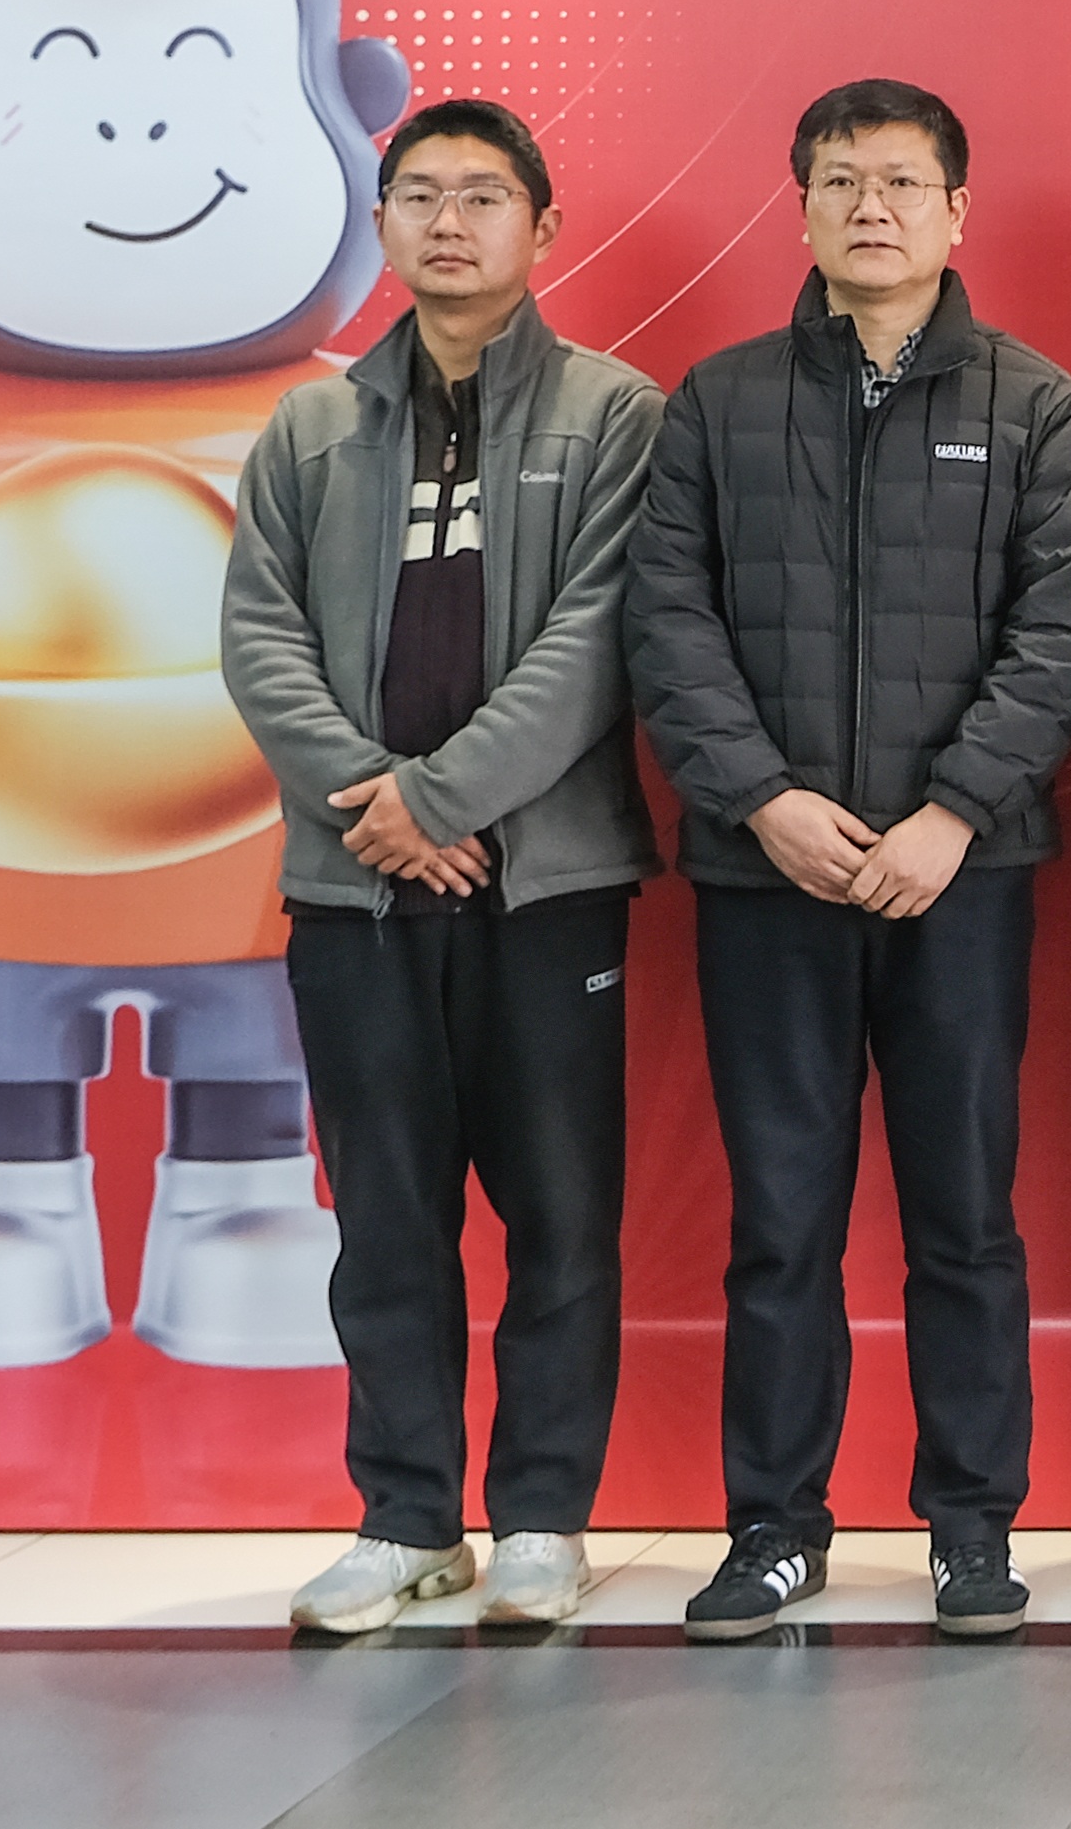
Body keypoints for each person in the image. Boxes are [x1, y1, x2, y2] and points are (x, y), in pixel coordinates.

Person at [627, 79, 1071, 1642]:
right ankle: (775, 1523)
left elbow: (1060, 629)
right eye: (841, 180)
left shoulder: (1033, 403)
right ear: (804, 208)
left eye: (902, 180)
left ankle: (972, 1522)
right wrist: (763, 799)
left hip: (960, 873)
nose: (872, 206)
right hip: (769, 876)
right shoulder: (719, 400)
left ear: (957, 209)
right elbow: (668, 622)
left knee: (965, 1211)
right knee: (782, 1217)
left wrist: (952, 809)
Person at [224, 99, 661, 1634]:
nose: (450, 221)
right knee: (386, 1213)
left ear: (543, 227)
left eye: (483, 196)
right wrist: (381, 806)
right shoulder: (310, 427)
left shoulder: (615, 412)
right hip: (357, 884)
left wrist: (446, 795)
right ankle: (404, 1514)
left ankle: (542, 1512)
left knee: (560, 1211)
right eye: (420, 194)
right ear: (381, 225)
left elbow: (598, 639)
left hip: (546, 884)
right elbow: (259, 635)